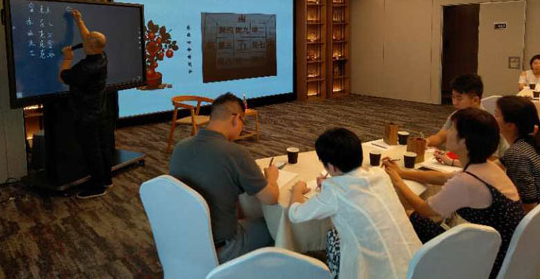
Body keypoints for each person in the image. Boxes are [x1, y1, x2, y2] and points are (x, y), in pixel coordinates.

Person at [383, 108, 524, 279]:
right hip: (505, 254)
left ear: (464, 141)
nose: (447, 132)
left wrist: (397, 182)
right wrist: (402, 173)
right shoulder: (487, 167)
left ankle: (405, 268)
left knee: (407, 216)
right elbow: (442, 177)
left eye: (452, 129)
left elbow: (424, 209)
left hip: (484, 261)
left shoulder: (468, 181)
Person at [288, 128, 421, 279]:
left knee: (334, 237)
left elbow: (295, 214)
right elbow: (353, 185)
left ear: (331, 167)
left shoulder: (334, 191)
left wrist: (297, 190)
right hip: (418, 265)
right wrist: (332, 182)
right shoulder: (380, 174)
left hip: (380, 273)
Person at [169, 92, 279, 263]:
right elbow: (270, 198)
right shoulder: (236, 153)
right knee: (275, 228)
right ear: (236, 118)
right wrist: (271, 177)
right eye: (243, 122)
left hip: (187, 241)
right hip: (223, 247)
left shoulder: (180, 148)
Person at [59, 10, 110, 199]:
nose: (84, 40)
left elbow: (63, 77)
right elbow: (88, 38)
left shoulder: (85, 67)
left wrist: (67, 58)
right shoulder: (102, 56)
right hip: (99, 111)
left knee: (91, 151)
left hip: (85, 115)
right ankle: (106, 179)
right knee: (101, 147)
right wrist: (79, 21)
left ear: (89, 46)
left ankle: (97, 187)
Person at [495, 96, 540, 213]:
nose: (493, 119)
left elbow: (530, 208)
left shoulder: (517, 154)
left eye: (496, 115)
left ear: (510, 125)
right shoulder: (530, 141)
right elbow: (493, 166)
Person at [426, 74, 483, 149]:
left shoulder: (486, 123)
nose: (454, 103)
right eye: (453, 97)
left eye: (459, 99)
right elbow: (440, 137)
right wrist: (426, 141)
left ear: (475, 100)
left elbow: (490, 158)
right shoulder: (456, 115)